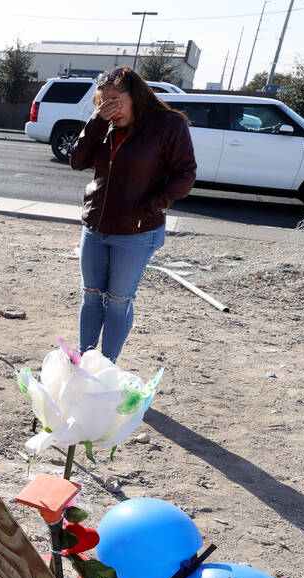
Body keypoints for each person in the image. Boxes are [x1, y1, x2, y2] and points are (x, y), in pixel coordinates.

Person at [70, 66, 196, 362]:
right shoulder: (104, 125)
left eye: (115, 99)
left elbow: (186, 174)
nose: (109, 107)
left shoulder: (168, 125)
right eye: (103, 102)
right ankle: (85, 363)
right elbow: (77, 161)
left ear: (136, 95)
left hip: (136, 232)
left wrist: (150, 206)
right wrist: (96, 122)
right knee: (91, 297)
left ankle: (106, 366)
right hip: (95, 227)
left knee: (117, 302)